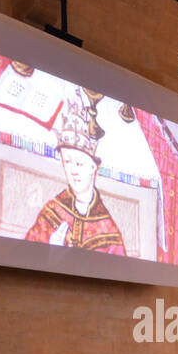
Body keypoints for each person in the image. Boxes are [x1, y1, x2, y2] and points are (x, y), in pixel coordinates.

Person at [24, 94, 127, 254]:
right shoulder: (52, 211)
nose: (73, 171)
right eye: (67, 162)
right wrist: (50, 252)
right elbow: (26, 256)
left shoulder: (108, 230)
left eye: (79, 163)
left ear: (93, 167)